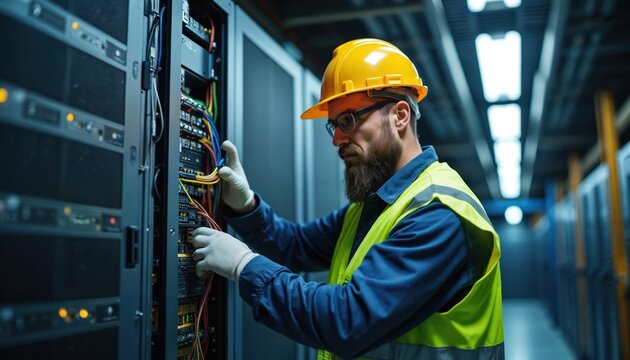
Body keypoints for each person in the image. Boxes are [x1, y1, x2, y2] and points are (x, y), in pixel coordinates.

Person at [191, 38, 504, 359]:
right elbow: (297, 246)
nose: (338, 139)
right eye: (334, 126)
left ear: (399, 116)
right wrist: (247, 206)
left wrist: (245, 266)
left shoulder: (439, 213)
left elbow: (347, 319)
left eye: (349, 120)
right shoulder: (378, 205)